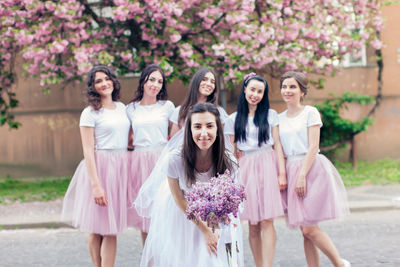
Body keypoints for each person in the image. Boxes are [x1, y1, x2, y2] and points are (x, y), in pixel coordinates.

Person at [140, 102, 243, 267]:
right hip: (183, 218)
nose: (203, 133)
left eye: (209, 126)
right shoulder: (175, 159)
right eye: (197, 126)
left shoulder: (228, 161)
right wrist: (205, 230)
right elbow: (179, 199)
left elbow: (230, 197)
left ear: (218, 130)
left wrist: (217, 221)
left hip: (216, 219)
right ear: (189, 130)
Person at [278, 71, 350, 267]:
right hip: (291, 169)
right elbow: (279, 150)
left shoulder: (310, 112)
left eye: (292, 86)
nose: (287, 90)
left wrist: (302, 175)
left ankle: (339, 263)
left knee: (309, 228)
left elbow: (313, 146)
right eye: (284, 86)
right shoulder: (279, 118)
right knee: (306, 229)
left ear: (302, 91)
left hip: (311, 170)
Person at [61, 65, 131, 267]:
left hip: (119, 169)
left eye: (107, 79)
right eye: (98, 81)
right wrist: (96, 185)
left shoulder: (122, 108)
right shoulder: (89, 113)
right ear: (92, 87)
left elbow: (129, 138)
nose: (104, 83)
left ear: (113, 81)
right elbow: (88, 151)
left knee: (111, 228)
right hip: (99, 169)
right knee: (97, 227)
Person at [229, 73, 286, 267]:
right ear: (245, 89)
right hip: (246, 168)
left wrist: (281, 173)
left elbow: (277, 145)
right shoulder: (233, 119)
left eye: (260, 91)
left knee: (267, 220)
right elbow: (231, 152)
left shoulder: (271, 115)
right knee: (253, 224)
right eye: (252, 89)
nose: (255, 94)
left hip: (268, 164)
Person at [125, 64, 175, 246]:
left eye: (160, 81)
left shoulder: (167, 106)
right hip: (139, 161)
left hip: (161, 159)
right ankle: (149, 257)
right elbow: (127, 137)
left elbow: (176, 134)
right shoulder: (130, 109)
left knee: (164, 208)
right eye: (152, 79)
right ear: (143, 81)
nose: (155, 84)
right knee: (145, 215)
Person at [169, 67, 234, 147]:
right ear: (196, 82)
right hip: (185, 156)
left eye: (212, 82)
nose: (209, 84)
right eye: (204, 79)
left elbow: (224, 140)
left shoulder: (219, 112)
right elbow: (173, 141)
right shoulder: (181, 111)